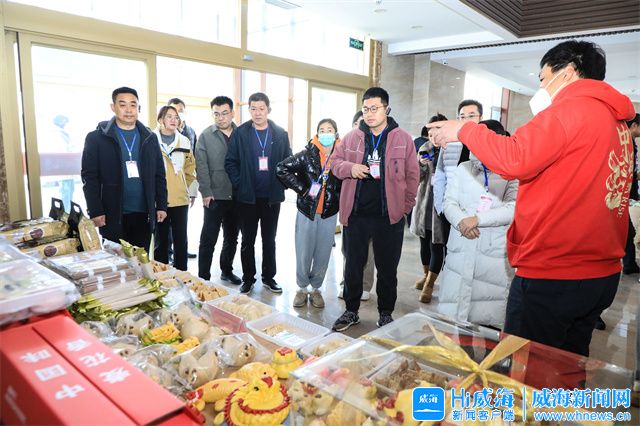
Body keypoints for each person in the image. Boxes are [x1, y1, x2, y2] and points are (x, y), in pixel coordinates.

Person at [427, 40, 636, 357]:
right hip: (600, 271)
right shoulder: (616, 123)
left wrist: (465, 130)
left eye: (543, 78)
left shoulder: (568, 112)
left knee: (526, 368)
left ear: (567, 73)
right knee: (567, 363)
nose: (541, 88)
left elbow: (513, 158)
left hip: (556, 271)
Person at [331, 87, 420, 331]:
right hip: (356, 215)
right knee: (353, 266)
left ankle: (386, 313)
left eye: (374, 108)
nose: (369, 114)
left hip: (388, 217)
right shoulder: (352, 137)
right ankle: (351, 311)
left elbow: (413, 175)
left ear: (386, 109)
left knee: (387, 269)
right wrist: (350, 168)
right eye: (365, 109)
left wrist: (404, 207)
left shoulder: (403, 139)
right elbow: (334, 163)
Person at [436, 120, 518, 329]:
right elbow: (449, 201)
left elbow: (514, 207)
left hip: (492, 251)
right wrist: (461, 221)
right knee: (456, 316)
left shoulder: (512, 173)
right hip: (461, 245)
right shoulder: (463, 168)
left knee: (488, 313)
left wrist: (478, 220)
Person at [81, 87, 167, 250]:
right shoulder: (97, 138)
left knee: (140, 260)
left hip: (144, 214)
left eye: (133, 105)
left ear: (138, 108)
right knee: (116, 261)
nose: (128, 110)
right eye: (122, 105)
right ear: (113, 107)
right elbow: (89, 178)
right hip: (112, 214)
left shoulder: (150, 138)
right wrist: (95, 210)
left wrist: (161, 205)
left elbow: (159, 174)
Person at [225, 92, 292, 294]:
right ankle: (248, 279)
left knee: (269, 240)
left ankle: (269, 277)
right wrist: (240, 184)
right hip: (247, 198)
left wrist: (281, 184)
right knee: (248, 241)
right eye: (253, 108)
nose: (257, 112)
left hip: (271, 197)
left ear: (268, 110)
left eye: (261, 108)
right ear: (249, 110)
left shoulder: (280, 134)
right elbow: (230, 162)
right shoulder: (241, 133)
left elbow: (288, 162)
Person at [277, 119, 342, 309]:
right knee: (304, 251)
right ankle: (302, 288)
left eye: (329, 130)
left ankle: (316, 289)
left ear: (336, 134)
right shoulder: (307, 154)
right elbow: (281, 168)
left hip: (329, 212)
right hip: (307, 211)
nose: (326, 133)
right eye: (322, 130)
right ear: (317, 134)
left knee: (323, 252)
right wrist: (303, 190)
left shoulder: (342, 155)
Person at [196, 96, 241, 284]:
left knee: (231, 237)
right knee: (208, 238)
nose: (221, 118)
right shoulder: (206, 136)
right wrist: (206, 192)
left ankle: (226, 270)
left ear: (232, 113)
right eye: (216, 114)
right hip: (214, 196)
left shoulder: (241, 133)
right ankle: (203, 277)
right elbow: (201, 165)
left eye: (224, 113)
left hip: (237, 195)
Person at [152, 105, 196, 271]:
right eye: (169, 116)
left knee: (181, 241)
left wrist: (191, 191)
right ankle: (161, 276)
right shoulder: (150, 140)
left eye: (176, 117)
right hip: (159, 200)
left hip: (180, 198)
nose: (173, 120)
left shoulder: (184, 141)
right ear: (160, 120)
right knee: (161, 242)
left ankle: (182, 275)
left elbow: (190, 169)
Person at [338, 110, 375, 302]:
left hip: (371, 206)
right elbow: (336, 166)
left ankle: (365, 285)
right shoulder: (347, 144)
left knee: (369, 250)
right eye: (359, 123)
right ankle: (346, 282)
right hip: (351, 206)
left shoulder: (377, 144)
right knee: (349, 249)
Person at [409, 114, 447, 302]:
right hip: (425, 202)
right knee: (424, 242)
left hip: (442, 204)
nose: (433, 136)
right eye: (430, 133)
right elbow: (415, 179)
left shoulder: (453, 150)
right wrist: (419, 164)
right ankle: (426, 275)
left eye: (437, 131)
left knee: (437, 244)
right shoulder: (425, 148)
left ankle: (430, 284)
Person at [168, 97, 198, 259]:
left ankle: (181, 251)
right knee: (165, 225)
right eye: (173, 111)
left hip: (183, 187)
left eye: (180, 111)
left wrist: (192, 191)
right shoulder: (160, 134)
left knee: (182, 223)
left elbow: (193, 163)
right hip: (166, 188)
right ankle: (168, 252)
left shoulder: (190, 132)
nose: (177, 114)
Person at [623, 113, 640, 274]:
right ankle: (628, 264)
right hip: (620, 195)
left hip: (628, 194)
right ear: (634, 125)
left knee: (629, 231)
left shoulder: (632, 142)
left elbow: (631, 170)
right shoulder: (624, 143)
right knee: (628, 231)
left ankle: (629, 264)